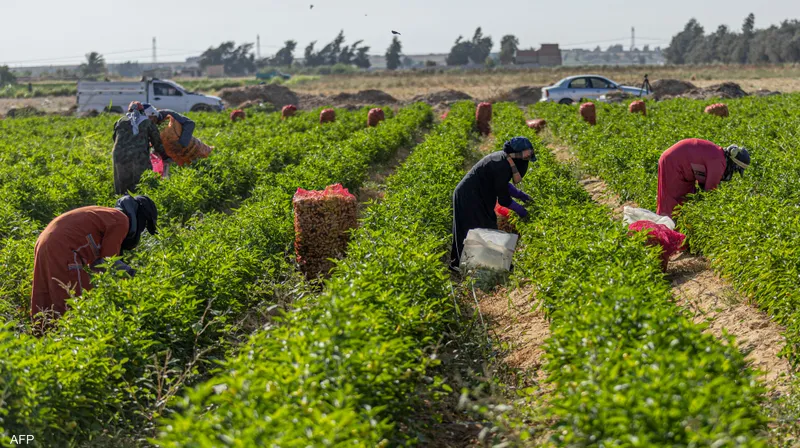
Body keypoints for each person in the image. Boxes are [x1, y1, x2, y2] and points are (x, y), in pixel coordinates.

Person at [30, 195, 158, 324]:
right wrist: (137, 277)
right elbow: (108, 262)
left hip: (44, 241)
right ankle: (76, 341)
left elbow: (97, 264)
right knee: (80, 305)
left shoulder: (106, 214)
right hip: (63, 247)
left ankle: (42, 338)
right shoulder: (120, 220)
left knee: (46, 299)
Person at [450, 137, 536, 269]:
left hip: (477, 194)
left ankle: (483, 264)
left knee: (485, 226)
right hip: (469, 196)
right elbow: (504, 200)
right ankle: (465, 265)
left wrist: (520, 195)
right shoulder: (501, 165)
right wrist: (521, 211)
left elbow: (502, 185)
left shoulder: (504, 159)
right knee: (478, 228)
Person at [656, 138, 750, 217]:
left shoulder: (719, 155)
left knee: (685, 201)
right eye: (736, 170)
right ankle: (665, 234)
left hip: (679, 164)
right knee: (672, 203)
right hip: (673, 162)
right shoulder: (718, 163)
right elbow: (709, 193)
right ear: (733, 164)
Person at [113, 102, 168, 194]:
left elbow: (115, 138)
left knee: (121, 181)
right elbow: (157, 142)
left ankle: (121, 203)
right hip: (139, 155)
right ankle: (140, 202)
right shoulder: (147, 122)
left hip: (119, 154)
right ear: (143, 111)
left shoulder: (120, 121)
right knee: (142, 181)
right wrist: (164, 155)